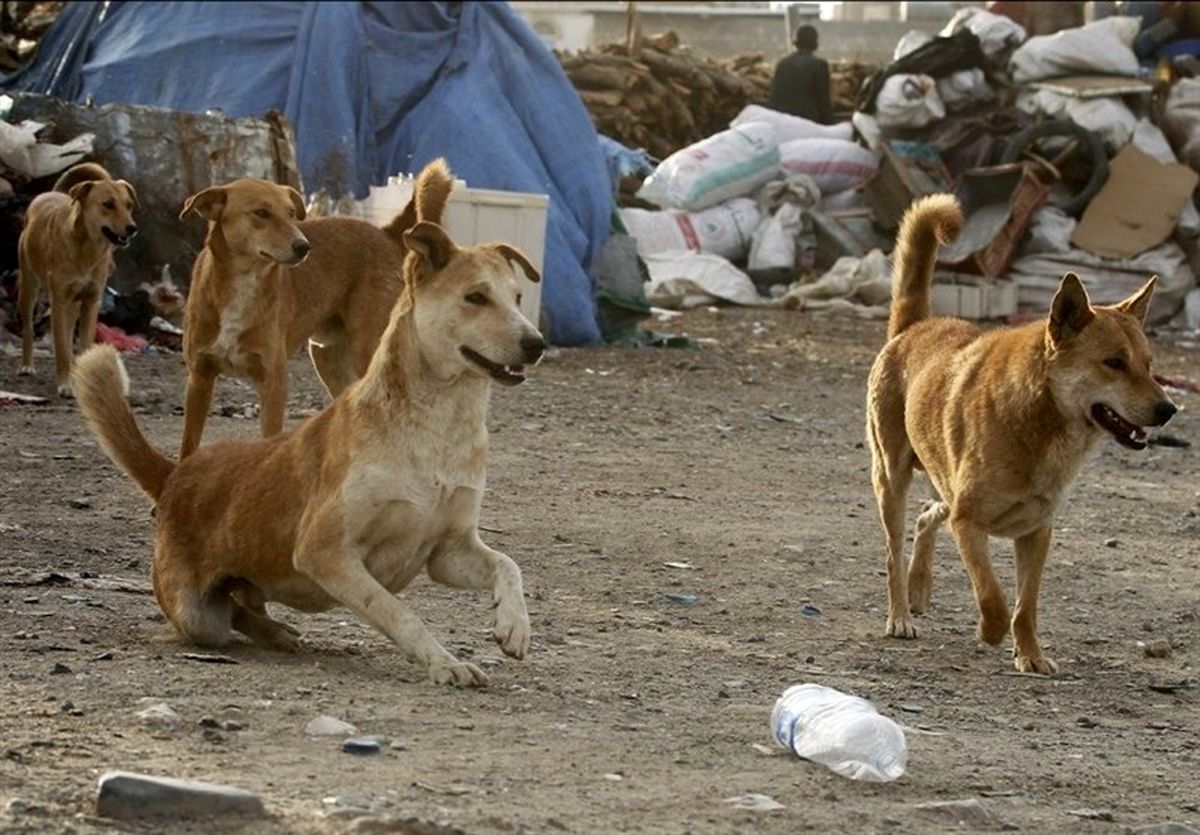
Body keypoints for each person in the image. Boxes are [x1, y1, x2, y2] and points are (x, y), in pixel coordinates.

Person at [766, 24, 833, 125]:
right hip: (808, 122)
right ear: (815, 43)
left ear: (796, 43)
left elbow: (774, 99)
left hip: (783, 121)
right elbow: (823, 101)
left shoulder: (783, 63)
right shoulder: (819, 65)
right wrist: (828, 126)